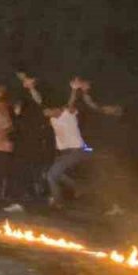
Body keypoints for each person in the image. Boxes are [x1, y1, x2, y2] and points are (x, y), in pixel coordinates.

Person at [44, 79, 93, 209]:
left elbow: (70, 103)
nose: (48, 113)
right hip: (64, 153)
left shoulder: (67, 114)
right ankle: (79, 187)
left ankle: (58, 201)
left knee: (51, 175)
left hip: (76, 151)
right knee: (57, 174)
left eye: (50, 111)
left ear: (57, 109)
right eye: (47, 112)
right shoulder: (53, 120)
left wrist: (74, 90)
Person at [10, 71, 51, 206]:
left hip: (35, 136)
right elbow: (16, 112)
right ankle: (22, 197)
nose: (24, 81)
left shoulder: (38, 92)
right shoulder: (20, 95)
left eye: (27, 79)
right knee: (21, 167)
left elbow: (39, 100)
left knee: (34, 167)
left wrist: (31, 86)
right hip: (21, 137)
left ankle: (39, 198)